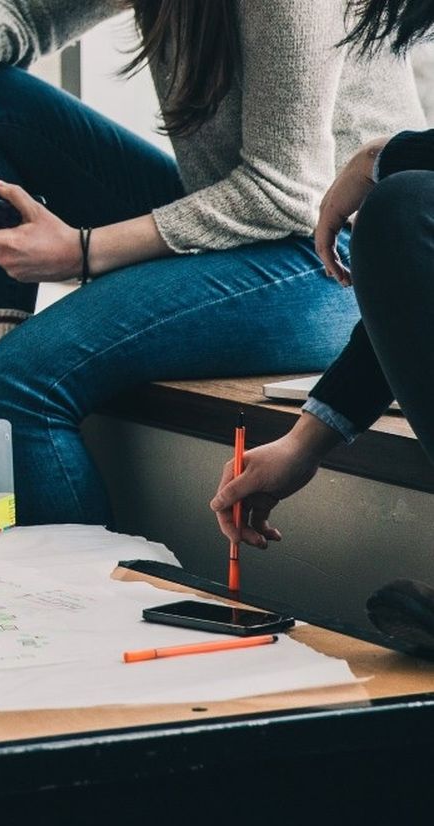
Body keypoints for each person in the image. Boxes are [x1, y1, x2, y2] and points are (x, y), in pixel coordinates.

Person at [0, 0, 423, 521]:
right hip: (238, 228)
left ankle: (85, 624)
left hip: (328, 260)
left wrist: (83, 250)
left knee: (26, 378)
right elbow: (33, 13)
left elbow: (283, 191)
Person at [211, 0, 434, 556]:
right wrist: (305, 441)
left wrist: (384, 156)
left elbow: (274, 189)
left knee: (404, 202)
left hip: (294, 264)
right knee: (403, 206)